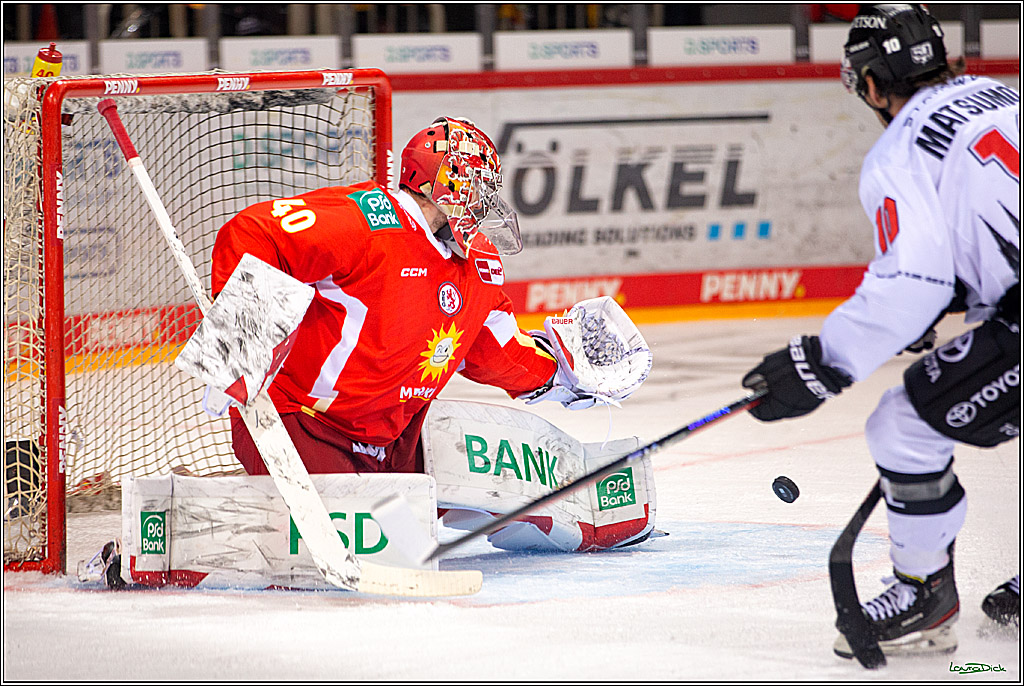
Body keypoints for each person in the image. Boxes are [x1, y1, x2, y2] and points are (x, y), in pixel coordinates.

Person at [740, 4, 1020, 658]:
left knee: (903, 425)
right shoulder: (1003, 94)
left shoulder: (899, 149)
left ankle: (924, 593)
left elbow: (910, 282)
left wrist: (821, 363)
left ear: (870, 85)